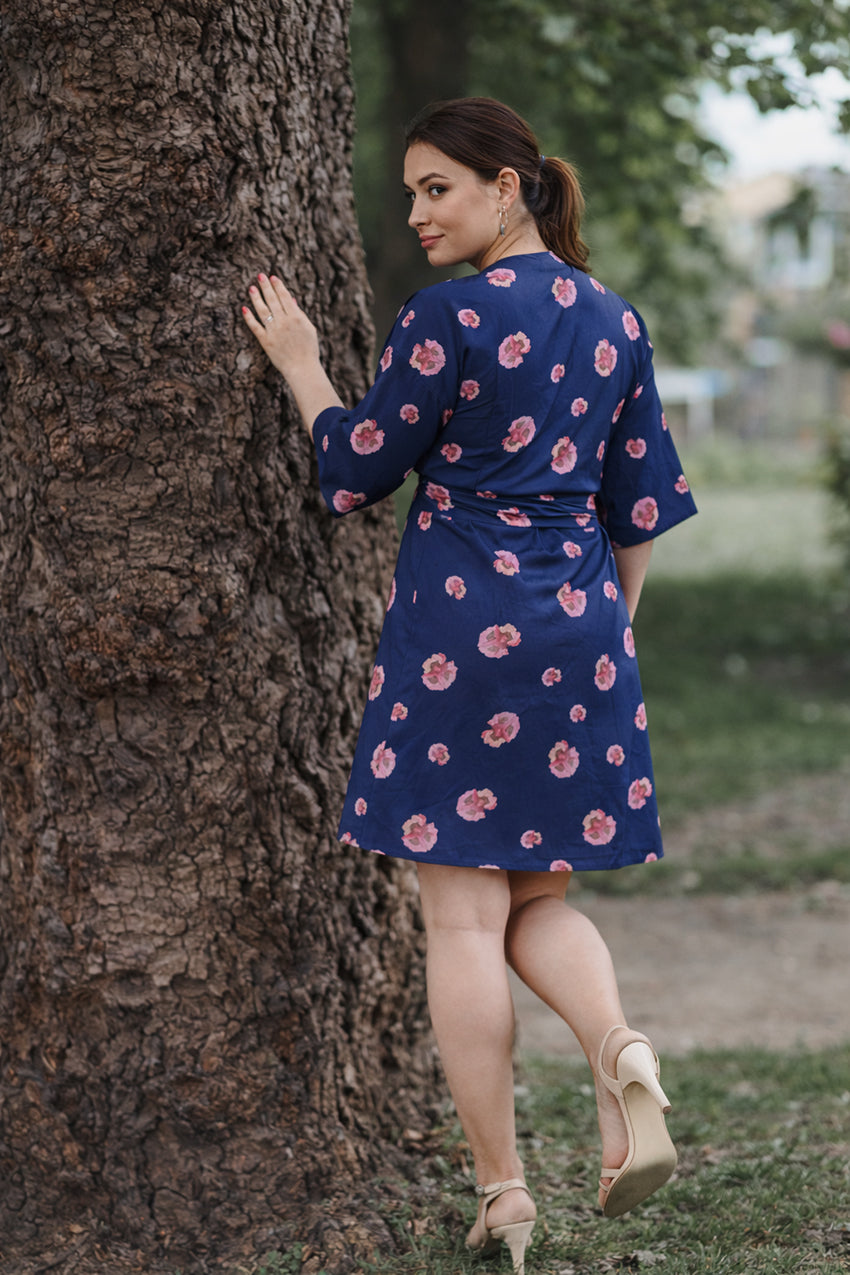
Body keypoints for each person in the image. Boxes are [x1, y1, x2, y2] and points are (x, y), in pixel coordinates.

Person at [243, 96, 697, 1275]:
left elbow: (355, 469)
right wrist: (608, 636)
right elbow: (640, 507)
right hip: (582, 633)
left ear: (509, 186)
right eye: (408, 193)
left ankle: (502, 1192)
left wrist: (300, 365)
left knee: (461, 917)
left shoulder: (443, 320)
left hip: (458, 639)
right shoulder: (615, 318)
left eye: (436, 187)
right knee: (537, 902)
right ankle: (616, 1046)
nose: (416, 212)